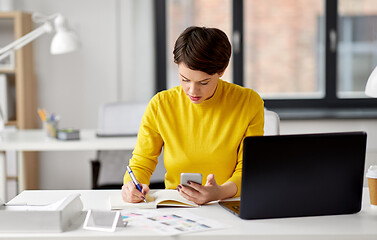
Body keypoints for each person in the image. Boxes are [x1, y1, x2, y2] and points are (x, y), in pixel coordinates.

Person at [122, 26, 264, 205]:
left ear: (222, 71)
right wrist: (131, 186)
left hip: (229, 203)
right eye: (184, 79)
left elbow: (249, 168)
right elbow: (142, 162)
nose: (192, 91)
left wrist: (219, 192)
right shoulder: (161, 104)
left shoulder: (248, 102)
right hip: (176, 205)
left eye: (203, 82)